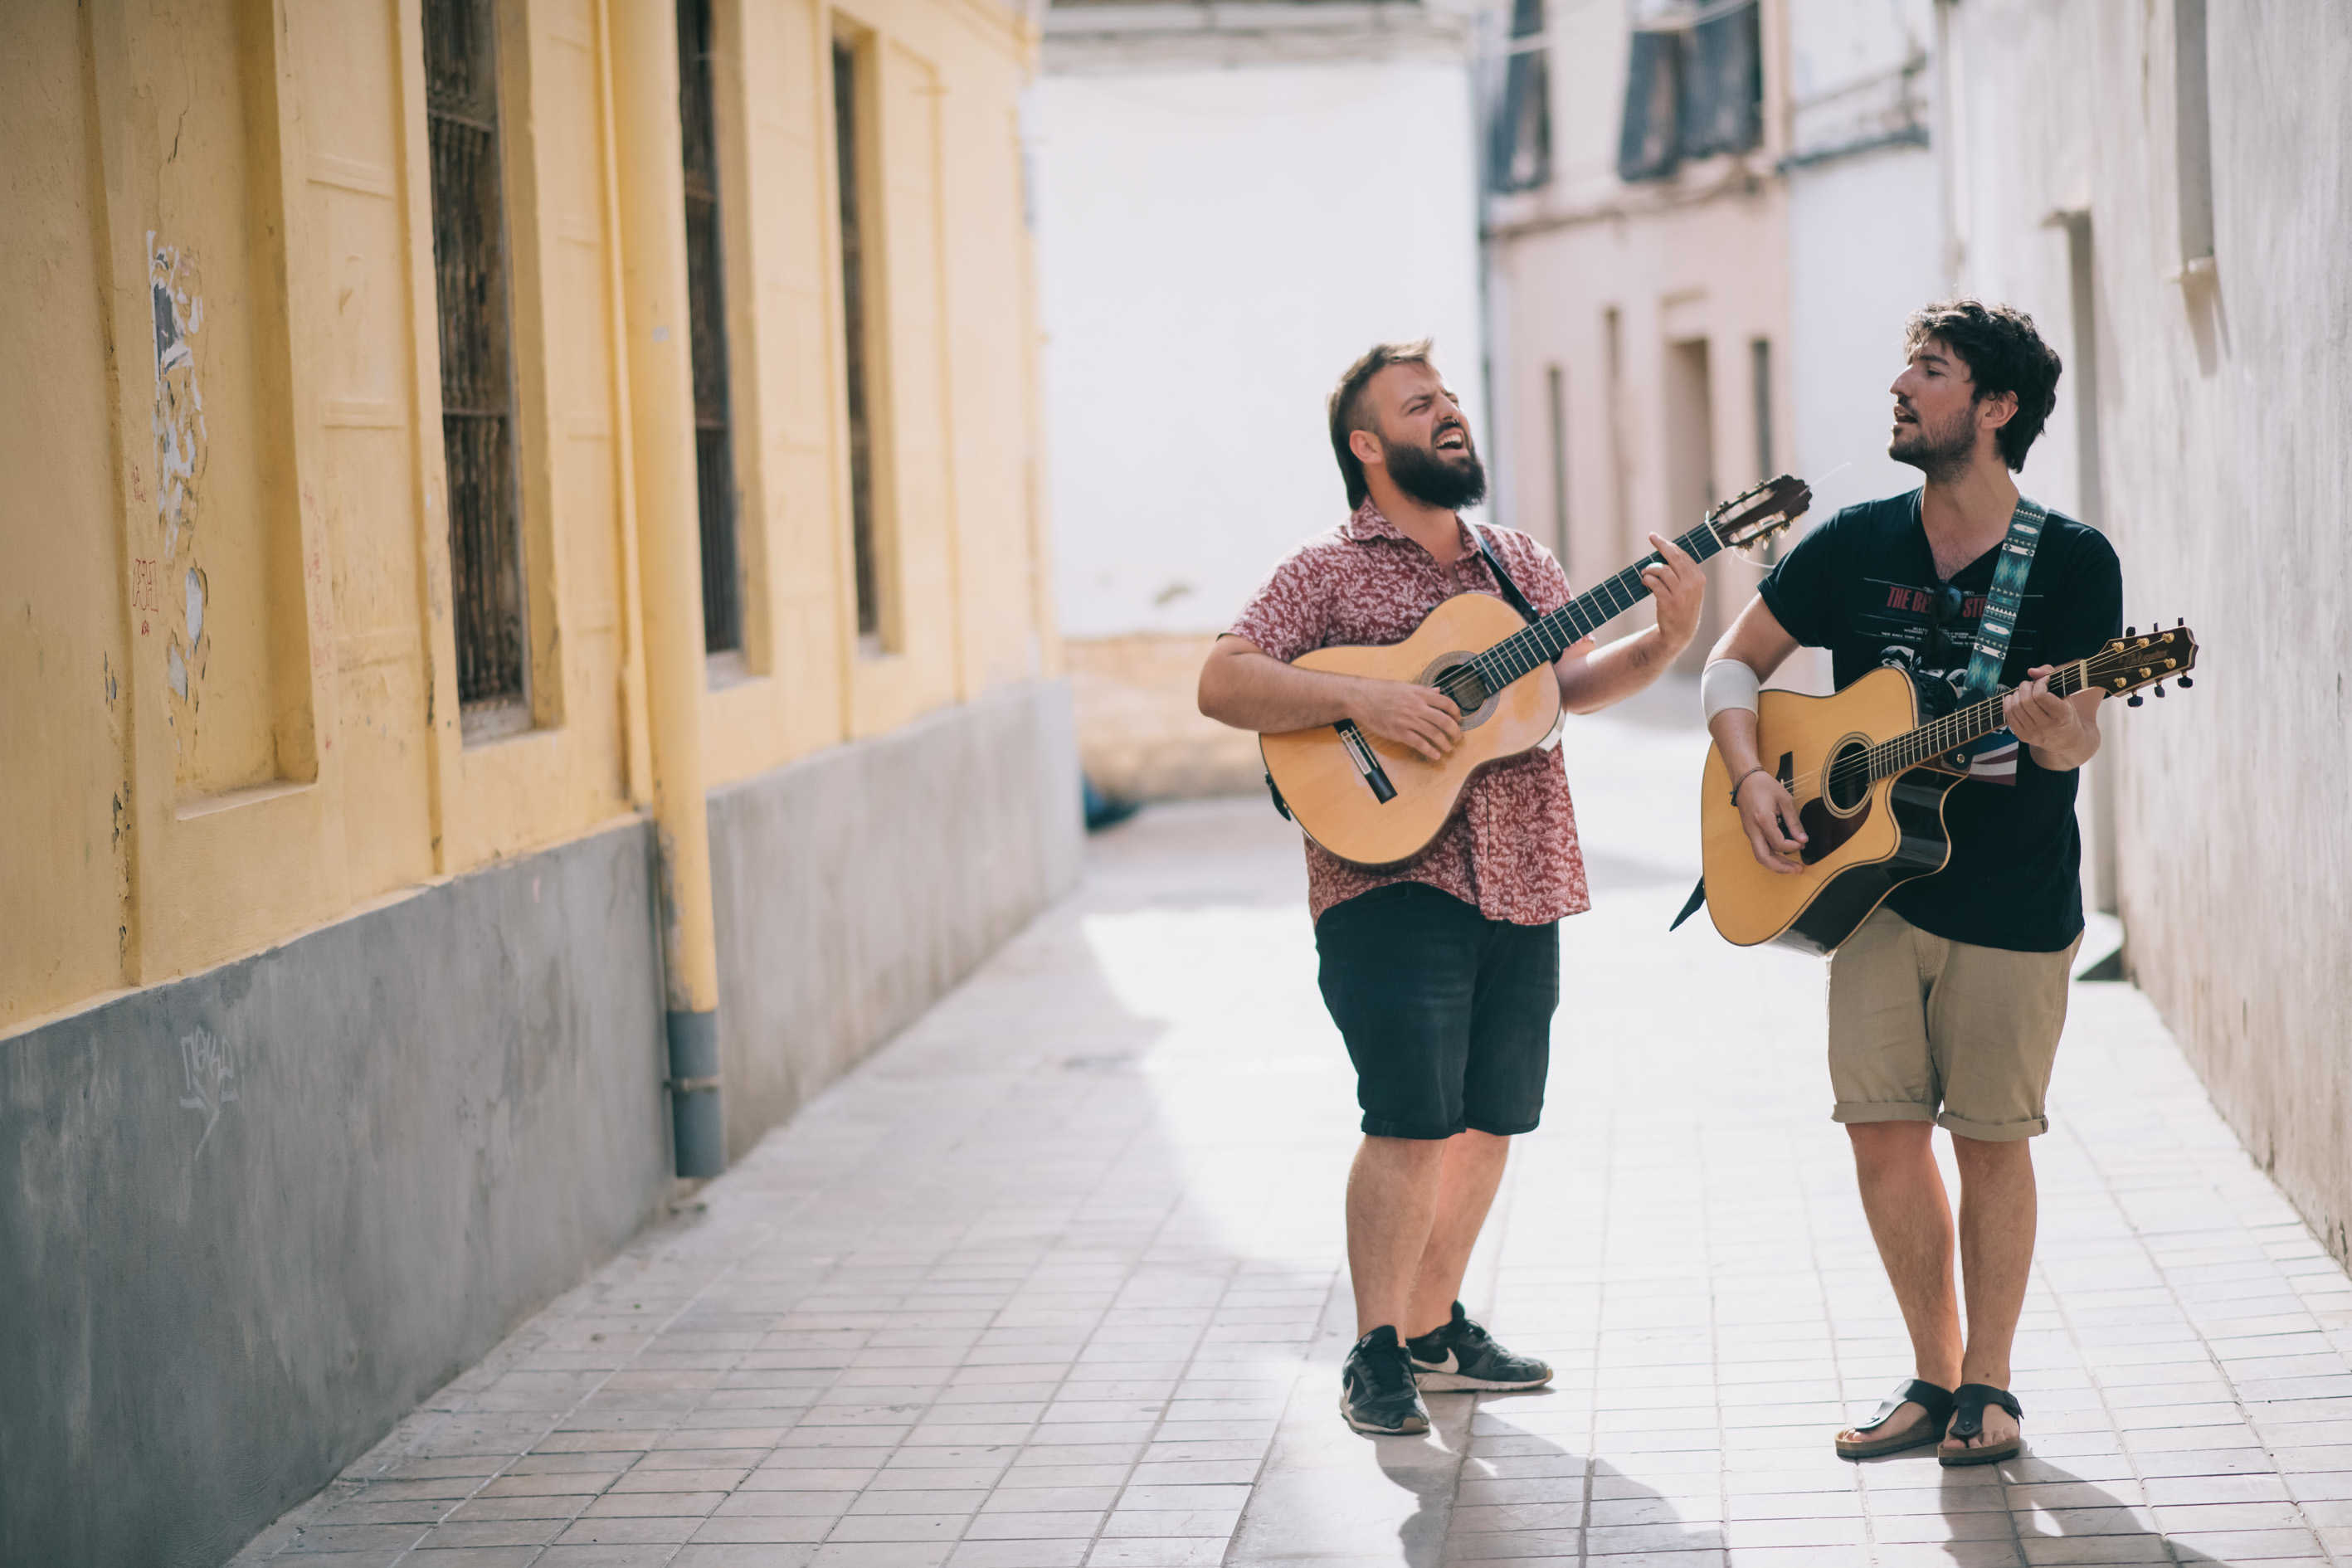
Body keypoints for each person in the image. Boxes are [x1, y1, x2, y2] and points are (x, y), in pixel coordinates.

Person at [1197, 340, 1705, 1434]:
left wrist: (1666, 640)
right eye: (1419, 405)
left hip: (1525, 872)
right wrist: (1367, 703)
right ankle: (1374, 1351)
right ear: (1367, 445)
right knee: (1409, 1117)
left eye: (1451, 398)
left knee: (1489, 1118)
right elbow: (1223, 678)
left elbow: (1572, 685)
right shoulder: (1324, 571)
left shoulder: (1520, 563)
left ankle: (1433, 1330)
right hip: (1387, 872)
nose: (1449, 415)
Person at [1702, 300, 2122, 1465]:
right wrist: (1749, 780)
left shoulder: (2074, 563)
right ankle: (1934, 1379)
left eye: (1928, 372)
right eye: (1904, 367)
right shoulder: (1855, 541)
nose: (1899, 386)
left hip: (2014, 899)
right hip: (1874, 897)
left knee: (1991, 1138)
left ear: (1995, 408)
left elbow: (2079, 741)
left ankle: (1993, 1385)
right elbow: (1734, 663)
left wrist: (2053, 729)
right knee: (1881, 1136)